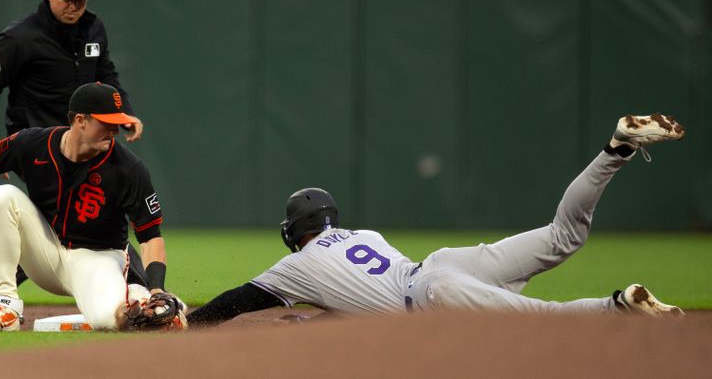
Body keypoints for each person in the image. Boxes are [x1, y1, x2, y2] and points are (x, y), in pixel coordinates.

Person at [187, 113, 686, 326]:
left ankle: (619, 304)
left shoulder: (296, 268)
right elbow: (353, 292)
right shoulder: (363, 234)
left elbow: (238, 300)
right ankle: (617, 147)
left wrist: (192, 320)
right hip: (444, 267)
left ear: (293, 232)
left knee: (543, 321)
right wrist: (319, 317)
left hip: (432, 295)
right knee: (564, 235)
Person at [0, 0, 148, 318]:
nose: (74, 4)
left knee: (63, 227)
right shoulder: (21, 37)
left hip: (83, 143)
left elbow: (106, 73)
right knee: (93, 222)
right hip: (39, 148)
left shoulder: (94, 29)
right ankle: (142, 288)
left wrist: (122, 111)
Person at [0, 82, 186, 331]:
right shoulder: (34, 143)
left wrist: (157, 289)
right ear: (80, 120)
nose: (114, 131)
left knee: (110, 321)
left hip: (98, 257)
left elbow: (151, 237)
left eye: (117, 123)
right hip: (47, 252)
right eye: (106, 122)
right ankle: (7, 306)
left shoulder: (129, 168)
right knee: (1, 196)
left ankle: (141, 297)